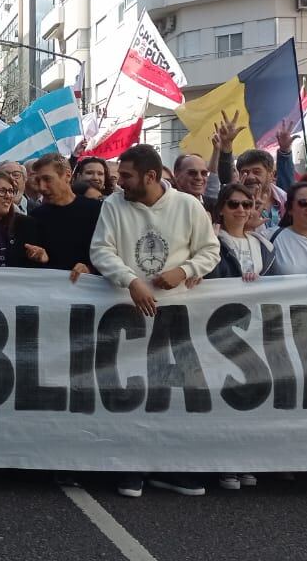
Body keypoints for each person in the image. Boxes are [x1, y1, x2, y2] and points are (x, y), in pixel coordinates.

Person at [89, 144, 219, 499]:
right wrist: (130, 281)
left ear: (150, 176)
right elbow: (101, 250)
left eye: (126, 175)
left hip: (176, 315)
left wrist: (185, 270)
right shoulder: (113, 205)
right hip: (126, 314)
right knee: (131, 392)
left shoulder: (188, 206)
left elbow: (210, 250)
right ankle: (132, 466)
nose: (119, 181)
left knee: (171, 393)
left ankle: (171, 467)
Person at [29, 153, 100, 278]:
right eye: (38, 180)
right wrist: (40, 259)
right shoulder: (35, 217)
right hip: (51, 292)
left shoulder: (96, 210)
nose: (41, 187)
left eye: (47, 179)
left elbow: (112, 254)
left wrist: (90, 269)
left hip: (90, 291)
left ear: (67, 175)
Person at [0, 170, 45, 268]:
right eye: (2, 191)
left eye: (11, 191)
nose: (8, 196)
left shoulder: (26, 225)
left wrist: (42, 257)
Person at [209, 183, 275, 282]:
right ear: (221, 210)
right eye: (233, 204)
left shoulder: (264, 246)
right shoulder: (212, 241)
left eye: (246, 204)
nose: (241, 209)